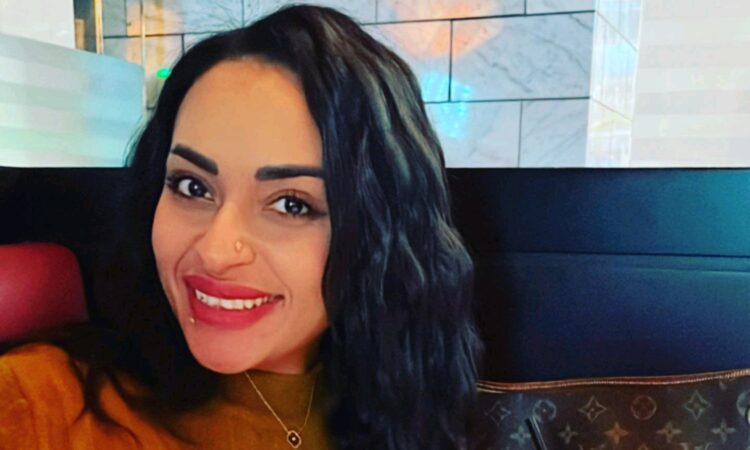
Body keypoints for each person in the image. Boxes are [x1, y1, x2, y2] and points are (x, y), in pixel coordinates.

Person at [0, 5, 481, 449]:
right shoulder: (37, 404)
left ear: (378, 232)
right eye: (192, 187)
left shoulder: (406, 410)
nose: (214, 251)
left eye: (291, 204)